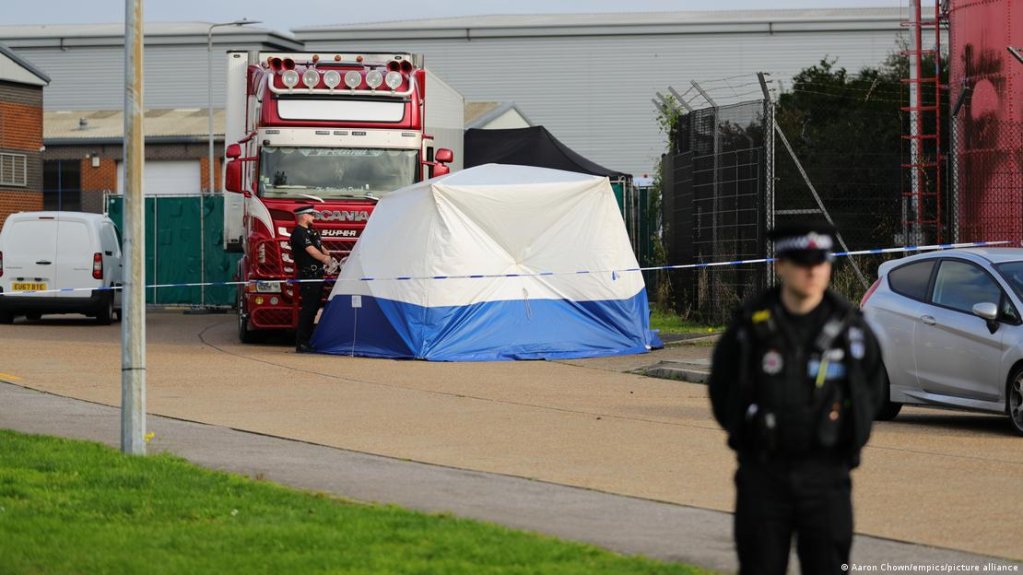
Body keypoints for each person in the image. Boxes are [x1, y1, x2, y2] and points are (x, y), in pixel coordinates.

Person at [707, 223, 885, 575]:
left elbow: (872, 391)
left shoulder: (851, 331)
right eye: (802, 262)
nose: (812, 270)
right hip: (763, 476)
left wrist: (846, 443)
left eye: (820, 261)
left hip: (826, 479)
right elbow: (722, 389)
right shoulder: (749, 329)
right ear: (780, 265)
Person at [290, 205, 334, 353]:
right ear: (304, 216)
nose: (314, 218)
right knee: (308, 309)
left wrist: (330, 257)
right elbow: (312, 251)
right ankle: (301, 343)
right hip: (308, 275)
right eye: (311, 215)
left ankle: (308, 340)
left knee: (314, 308)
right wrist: (324, 259)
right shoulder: (298, 232)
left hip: (317, 275)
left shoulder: (312, 232)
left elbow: (320, 247)